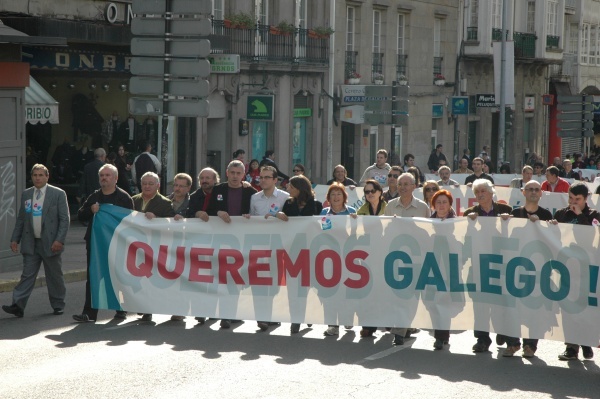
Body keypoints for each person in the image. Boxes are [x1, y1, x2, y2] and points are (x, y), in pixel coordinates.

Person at [3, 164, 70, 318]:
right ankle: (18, 305)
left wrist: (59, 240)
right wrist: (15, 238)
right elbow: (21, 219)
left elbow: (64, 220)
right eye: (35, 175)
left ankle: (58, 304)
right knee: (27, 275)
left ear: (47, 177)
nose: (38, 178)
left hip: (51, 242)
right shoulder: (27, 194)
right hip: (31, 241)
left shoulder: (58, 194)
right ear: (31, 177)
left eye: (41, 175)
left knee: (54, 276)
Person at [499, 180, 553, 357]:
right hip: (515, 268)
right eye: (530, 189)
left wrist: (548, 226)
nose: (533, 192)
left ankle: (530, 345)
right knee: (512, 307)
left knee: (533, 309)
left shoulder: (547, 215)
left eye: (537, 189)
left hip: (537, 269)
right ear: (523, 192)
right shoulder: (514, 213)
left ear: (541, 193)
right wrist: (505, 223)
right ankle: (512, 343)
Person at [72, 164, 133, 322]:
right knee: (94, 275)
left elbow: (131, 221)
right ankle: (89, 313)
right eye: (102, 176)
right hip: (96, 244)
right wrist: (89, 210)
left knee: (118, 275)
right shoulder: (94, 197)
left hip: (117, 243)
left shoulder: (124, 197)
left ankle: (121, 309)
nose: (104, 178)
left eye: (107, 175)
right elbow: (80, 216)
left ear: (115, 178)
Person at [463, 179, 512, 353]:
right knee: (480, 304)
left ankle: (502, 330)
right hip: (478, 265)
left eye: (483, 191)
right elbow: (465, 240)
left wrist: (508, 222)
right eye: (477, 192)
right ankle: (482, 339)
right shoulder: (470, 213)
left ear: (491, 193)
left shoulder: (506, 211)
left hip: (500, 264)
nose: (480, 194)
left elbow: (514, 235)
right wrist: (469, 224)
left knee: (500, 302)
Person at [207, 160, 258, 328]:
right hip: (222, 239)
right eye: (232, 173)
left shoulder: (250, 191)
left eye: (239, 173)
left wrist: (250, 218)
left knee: (237, 278)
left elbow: (257, 213)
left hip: (243, 241)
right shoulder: (218, 189)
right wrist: (218, 212)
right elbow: (207, 211)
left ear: (243, 175)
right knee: (223, 276)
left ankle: (233, 313)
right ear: (227, 173)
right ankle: (225, 314)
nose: (235, 176)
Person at [384, 173, 431, 345]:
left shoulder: (422, 207)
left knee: (410, 295)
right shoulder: (390, 206)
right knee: (398, 294)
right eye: (400, 184)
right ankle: (402, 328)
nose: (403, 187)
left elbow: (429, 231)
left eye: (406, 184)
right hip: (395, 256)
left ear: (414, 187)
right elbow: (384, 229)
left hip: (416, 257)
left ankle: (401, 329)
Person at [554, 182, 600, 361]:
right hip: (568, 266)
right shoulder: (561, 214)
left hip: (588, 267)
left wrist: (580, 216)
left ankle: (586, 342)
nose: (573, 202)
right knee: (569, 308)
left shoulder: (594, 215)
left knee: (586, 308)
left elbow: (593, 236)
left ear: (586, 199)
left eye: (577, 199)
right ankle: (571, 347)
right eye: (570, 198)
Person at [271, 175, 322, 333]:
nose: (288, 189)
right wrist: (277, 215)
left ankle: (308, 315)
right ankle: (296, 319)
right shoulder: (288, 203)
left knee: (310, 286)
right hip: (292, 251)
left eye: (291, 187)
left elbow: (324, 225)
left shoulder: (316, 205)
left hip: (311, 251)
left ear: (300, 188)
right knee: (294, 287)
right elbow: (282, 223)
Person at [245, 165, 289, 331]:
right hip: (259, 245)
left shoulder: (285, 197)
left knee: (274, 283)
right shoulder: (255, 198)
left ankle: (271, 316)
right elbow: (251, 218)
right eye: (260, 177)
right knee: (258, 282)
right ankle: (261, 317)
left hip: (278, 245)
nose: (262, 180)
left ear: (275, 180)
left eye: (266, 177)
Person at [132, 172, 176, 322]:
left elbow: (170, 224)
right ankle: (140, 306)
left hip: (154, 247)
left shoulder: (164, 203)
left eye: (151, 183)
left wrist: (157, 220)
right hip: (134, 246)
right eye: (144, 183)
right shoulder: (132, 200)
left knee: (150, 279)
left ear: (158, 185)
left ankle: (148, 310)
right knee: (137, 279)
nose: (147, 186)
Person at [320, 182, 357, 337]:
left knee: (346, 290)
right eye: (333, 194)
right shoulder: (324, 212)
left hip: (347, 256)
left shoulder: (351, 212)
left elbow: (356, 234)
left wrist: (355, 220)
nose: (336, 197)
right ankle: (332, 325)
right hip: (329, 257)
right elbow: (323, 232)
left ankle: (347, 318)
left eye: (339, 194)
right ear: (328, 198)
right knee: (330, 292)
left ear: (344, 197)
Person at [356, 179, 387, 338]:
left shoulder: (388, 208)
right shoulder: (360, 211)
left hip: (386, 252)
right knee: (367, 291)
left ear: (380, 192)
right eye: (366, 192)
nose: (369, 194)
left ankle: (387, 320)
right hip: (367, 254)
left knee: (384, 289)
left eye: (372, 191)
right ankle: (368, 324)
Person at [429, 189, 457, 349]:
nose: (441, 205)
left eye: (444, 202)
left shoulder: (457, 222)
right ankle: (440, 333)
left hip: (450, 266)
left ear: (450, 205)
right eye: (438, 202)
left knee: (445, 300)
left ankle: (441, 336)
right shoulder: (427, 222)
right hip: (432, 265)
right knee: (433, 302)